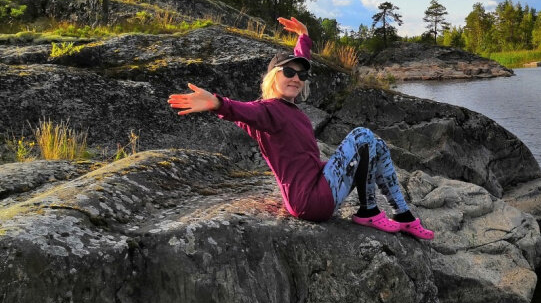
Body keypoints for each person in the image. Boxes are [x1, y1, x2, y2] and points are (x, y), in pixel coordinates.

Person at [167, 16, 433, 239]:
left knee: (377, 146)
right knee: (362, 136)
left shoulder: (286, 107)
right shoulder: (268, 110)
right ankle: (369, 212)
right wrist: (216, 102)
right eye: (289, 74)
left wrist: (304, 37)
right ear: (273, 77)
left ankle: (404, 215)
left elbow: (299, 61)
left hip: (318, 188)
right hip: (310, 201)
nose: (296, 79)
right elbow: (240, 110)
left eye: (302, 75)